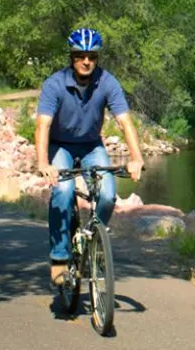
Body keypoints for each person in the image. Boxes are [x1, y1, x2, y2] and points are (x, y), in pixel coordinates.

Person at [35, 28, 144, 286]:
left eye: (92, 57)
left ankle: (95, 241)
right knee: (63, 191)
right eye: (80, 56)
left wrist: (136, 157)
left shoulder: (107, 82)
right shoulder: (55, 84)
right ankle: (60, 257)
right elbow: (42, 125)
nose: (86, 61)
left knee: (107, 195)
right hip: (60, 145)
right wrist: (43, 163)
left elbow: (125, 122)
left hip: (92, 145)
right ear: (71, 57)